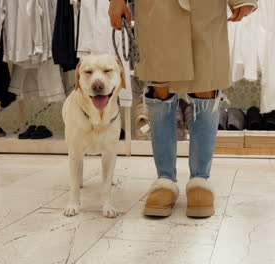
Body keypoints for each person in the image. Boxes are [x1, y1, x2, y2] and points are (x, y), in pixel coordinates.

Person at [109, 0, 258, 217]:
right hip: (157, 9)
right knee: (160, 86)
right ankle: (165, 180)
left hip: (205, 9)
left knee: (206, 85)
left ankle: (200, 180)